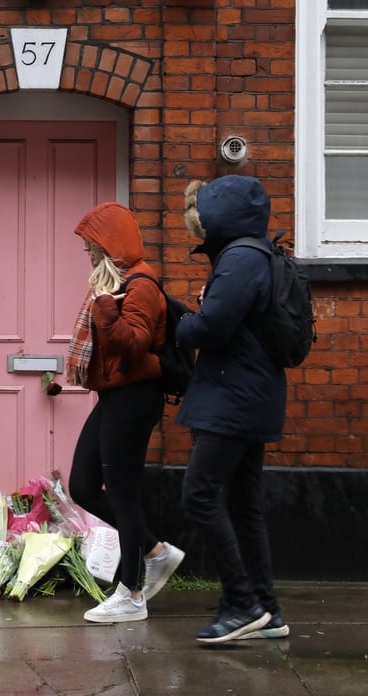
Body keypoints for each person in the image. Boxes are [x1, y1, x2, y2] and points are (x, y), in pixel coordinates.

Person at [176, 175, 289, 645]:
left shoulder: (241, 258)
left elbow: (212, 328)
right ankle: (267, 608)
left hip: (234, 396)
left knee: (198, 493)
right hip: (251, 393)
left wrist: (184, 323)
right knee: (243, 505)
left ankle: (241, 603)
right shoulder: (255, 253)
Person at [66, 201, 185, 624]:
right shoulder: (118, 284)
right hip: (116, 397)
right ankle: (155, 549)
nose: (86, 252)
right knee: (81, 485)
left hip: (135, 399)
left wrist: (104, 309)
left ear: (108, 243)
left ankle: (132, 594)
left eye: (90, 244)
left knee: (122, 493)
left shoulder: (141, 285)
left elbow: (133, 345)